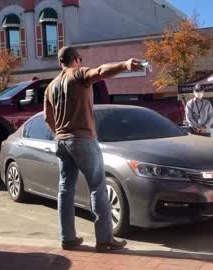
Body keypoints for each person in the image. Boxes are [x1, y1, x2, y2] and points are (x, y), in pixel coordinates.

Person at [43, 46, 143, 252]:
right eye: (80, 59)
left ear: (60, 62)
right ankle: (105, 239)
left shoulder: (50, 86)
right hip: (83, 139)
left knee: (65, 189)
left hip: (61, 141)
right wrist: (124, 64)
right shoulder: (78, 74)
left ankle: (67, 238)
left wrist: (59, 133)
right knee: (97, 186)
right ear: (76, 60)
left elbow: (47, 117)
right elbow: (100, 71)